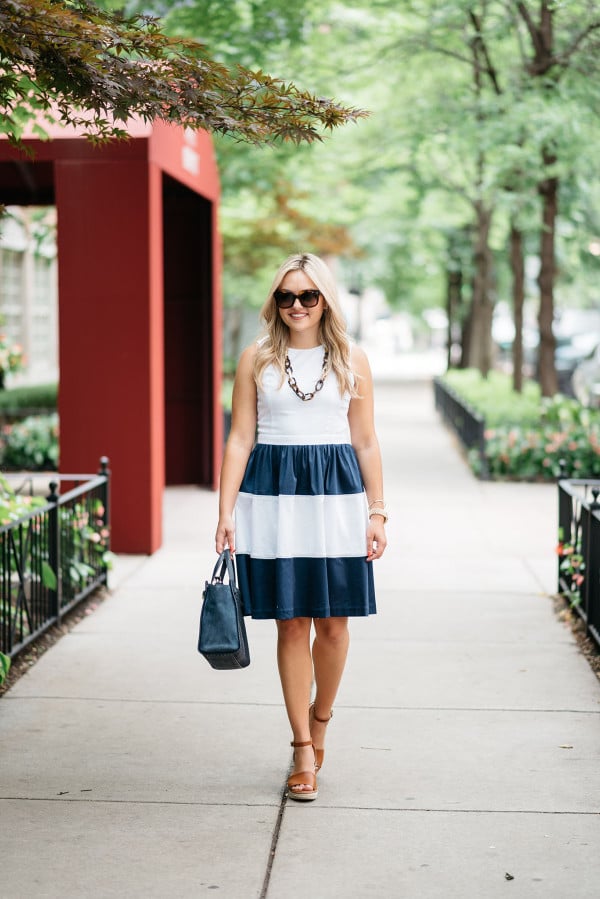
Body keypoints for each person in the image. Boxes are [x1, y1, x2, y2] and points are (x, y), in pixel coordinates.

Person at [215, 252, 387, 801]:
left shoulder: (352, 360)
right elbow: (240, 438)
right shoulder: (256, 359)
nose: (296, 306)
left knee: (333, 626)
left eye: (307, 296)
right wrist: (225, 512)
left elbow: (365, 440)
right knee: (290, 623)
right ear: (275, 302)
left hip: (336, 498)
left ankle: (321, 721)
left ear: (325, 301)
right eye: (285, 296)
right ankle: (301, 750)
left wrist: (378, 511)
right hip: (274, 499)